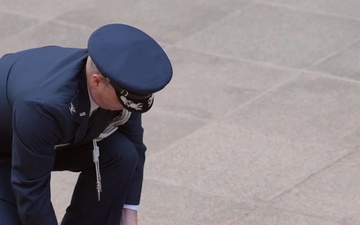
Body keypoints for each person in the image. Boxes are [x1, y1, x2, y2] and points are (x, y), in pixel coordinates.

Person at [0, 23, 173, 225]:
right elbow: (30, 188)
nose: (127, 109)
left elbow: (135, 144)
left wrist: (129, 213)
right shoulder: (43, 105)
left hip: (37, 141)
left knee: (122, 153)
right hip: (6, 150)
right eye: (124, 102)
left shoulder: (120, 80)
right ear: (97, 81)